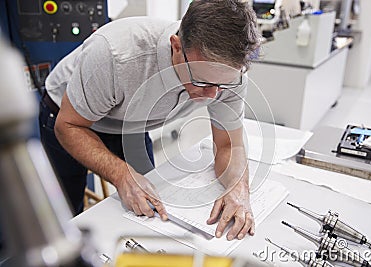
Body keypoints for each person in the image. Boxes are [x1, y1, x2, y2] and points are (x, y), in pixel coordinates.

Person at [39, 0, 260, 241]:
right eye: (202, 81)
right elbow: (68, 125)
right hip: (70, 117)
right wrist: (121, 174)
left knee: (151, 206)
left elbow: (229, 145)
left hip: (132, 120)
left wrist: (238, 187)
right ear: (176, 46)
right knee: (64, 217)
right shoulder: (117, 55)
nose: (212, 95)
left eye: (222, 85)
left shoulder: (228, 76)